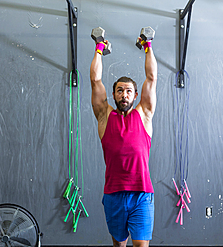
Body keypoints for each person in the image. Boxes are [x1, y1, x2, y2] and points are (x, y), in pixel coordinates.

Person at [90, 33, 158, 247]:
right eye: (120, 91)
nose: (124, 95)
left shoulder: (144, 114)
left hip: (141, 194)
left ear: (135, 95)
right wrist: (99, 48)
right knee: (119, 245)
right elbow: (94, 80)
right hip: (113, 194)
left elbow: (152, 78)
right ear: (113, 94)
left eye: (128, 91)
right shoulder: (104, 117)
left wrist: (148, 46)